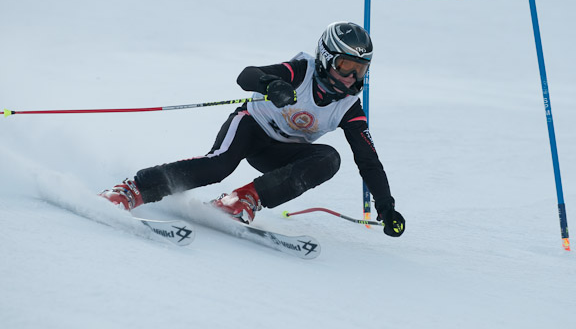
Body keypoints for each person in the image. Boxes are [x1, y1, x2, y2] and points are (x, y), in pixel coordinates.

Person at [100, 21, 405, 237]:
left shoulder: (349, 106)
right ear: (326, 59)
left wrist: (386, 206)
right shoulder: (302, 71)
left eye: (360, 69)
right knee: (218, 166)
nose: (351, 77)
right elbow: (247, 75)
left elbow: (368, 159)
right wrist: (272, 84)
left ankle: (240, 200)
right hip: (251, 127)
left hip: (278, 152)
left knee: (329, 158)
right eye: (345, 66)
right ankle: (131, 190)